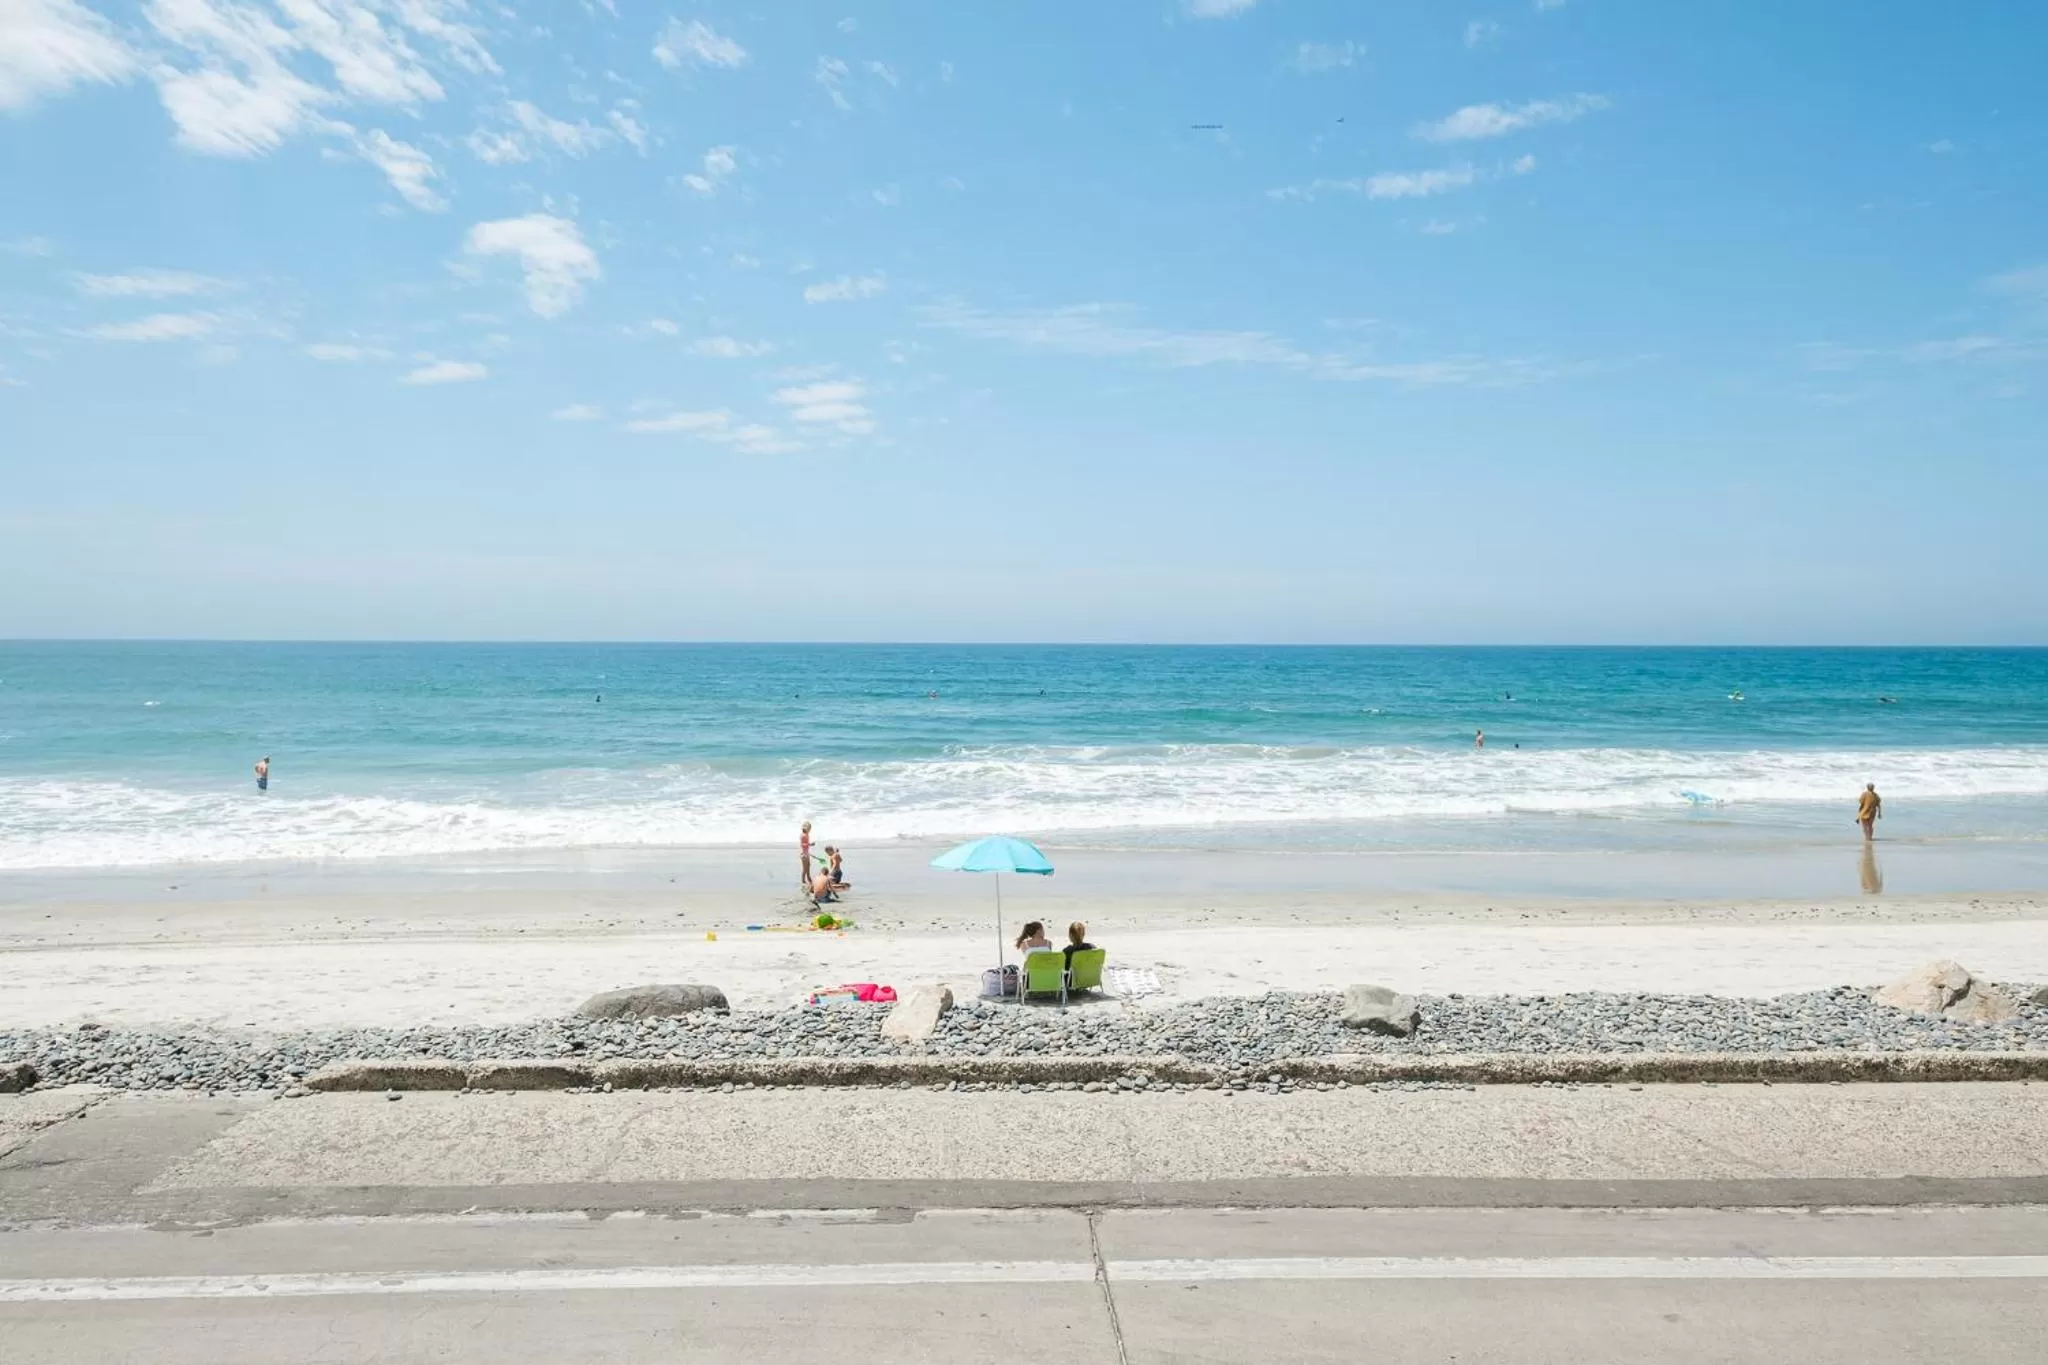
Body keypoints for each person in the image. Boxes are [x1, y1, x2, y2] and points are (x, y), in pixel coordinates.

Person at [798, 821, 813, 889]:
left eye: (810, 828)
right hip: (803, 854)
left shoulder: (807, 835)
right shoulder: (803, 835)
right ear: (805, 828)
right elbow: (802, 844)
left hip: (806, 853)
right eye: (809, 828)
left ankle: (809, 879)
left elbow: (805, 845)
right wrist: (810, 844)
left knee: (808, 866)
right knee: (805, 868)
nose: (810, 829)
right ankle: (803, 881)